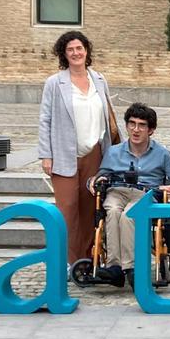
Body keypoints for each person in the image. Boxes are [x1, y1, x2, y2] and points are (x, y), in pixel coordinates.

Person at [39, 31, 118, 265]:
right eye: (70, 49)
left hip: (94, 154)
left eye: (79, 48)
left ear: (86, 51)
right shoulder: (55, 83)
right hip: (64, 155)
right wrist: (46, 155)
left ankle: (84, 261)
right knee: (66, 211)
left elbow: (109, 116)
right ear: (64, 54)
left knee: (88, 210)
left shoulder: (99, 80)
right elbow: (45, 119)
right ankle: (64, 261)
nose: (76, 53)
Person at [91, 103, 170, 288]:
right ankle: (114, 267)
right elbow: (101, 175)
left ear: (151, 130)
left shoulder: (162, 154)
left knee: (129, 215)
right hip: (117, 191)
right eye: (132, 124)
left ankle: (130, 268)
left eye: (142, 125)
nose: (136, 129)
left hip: (145, 193)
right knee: (112, 211)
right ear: (126, 126)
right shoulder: (114, 152)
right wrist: (96, 181)